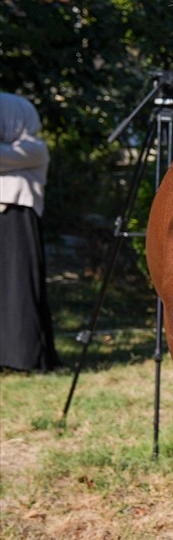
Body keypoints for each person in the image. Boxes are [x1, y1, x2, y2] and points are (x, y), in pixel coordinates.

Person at [1, 91, 60, 372]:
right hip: (15, 214)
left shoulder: (35, 150)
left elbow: (23, 156)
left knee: (19, 287)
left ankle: (21, 357)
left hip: (17, 216)